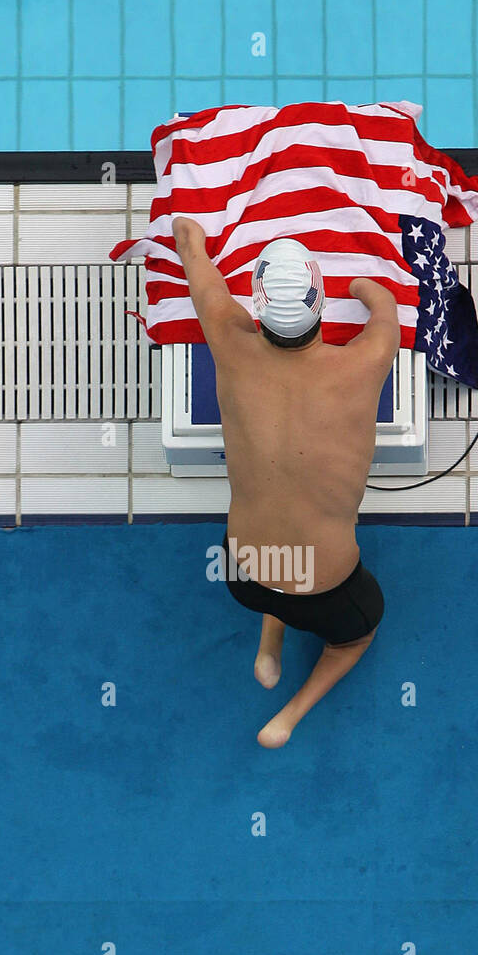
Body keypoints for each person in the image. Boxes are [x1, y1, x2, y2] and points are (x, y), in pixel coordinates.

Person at [173, 218, 400, 748]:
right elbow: (382, 303)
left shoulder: (227, 340)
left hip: (243, 574)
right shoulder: (365, 361)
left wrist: (189, 228)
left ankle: (268, 646)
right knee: (356, 636)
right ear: (319, 303)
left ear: (256, 306)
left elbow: (193, 254)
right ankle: (287, 718)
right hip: (327, 591)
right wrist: (363, 288)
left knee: (277, 567)